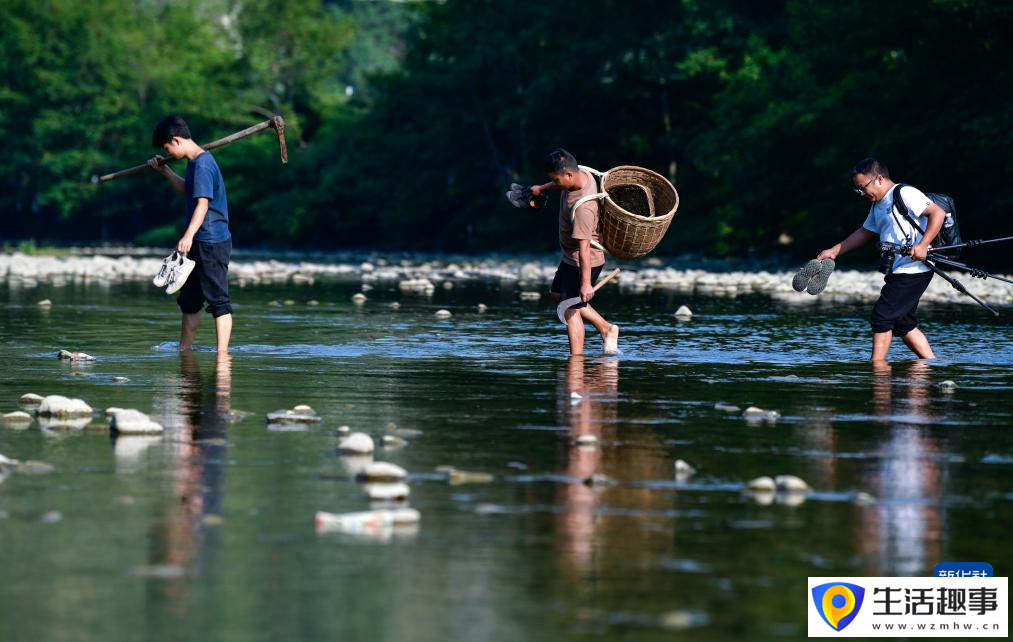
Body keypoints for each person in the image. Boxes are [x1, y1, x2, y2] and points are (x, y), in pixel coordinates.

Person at [816, 158, 945, 361]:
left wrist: (922, 245)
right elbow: (864, 232)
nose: (862, 193)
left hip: (915, 268)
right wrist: (834, 251)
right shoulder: (877, 204)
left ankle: (877, 370)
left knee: (881, 316)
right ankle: (930, 364)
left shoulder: (905, 193)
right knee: (904, 323)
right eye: (858, 190)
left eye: (863, 187)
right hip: (897, 269)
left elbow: (937, 213)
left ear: (879, 179)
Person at [148, 116, 233, 353]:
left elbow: (202, 204)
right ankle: (184, 349)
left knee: (218, 301)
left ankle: (222, 356)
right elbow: (187, 190)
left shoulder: (204, 164)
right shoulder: (194, 163)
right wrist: (165, 170)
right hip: (199, 239)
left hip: (211, 240)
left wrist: (187, 236)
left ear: (176, 140)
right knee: (190, 302)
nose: (167, 152)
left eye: (166, 149)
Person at [530, 149, 619, 355]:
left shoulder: (583, 209)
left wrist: (586, 284)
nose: (555, 183)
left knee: (569, 309)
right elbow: (559, 182)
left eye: (555, 180)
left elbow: (584, 248)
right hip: (570, 258)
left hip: (582, 261)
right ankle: (606, 328)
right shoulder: (581, 174)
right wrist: (540, 189)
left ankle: (576, 362)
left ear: (569, 175)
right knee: (557, 294)